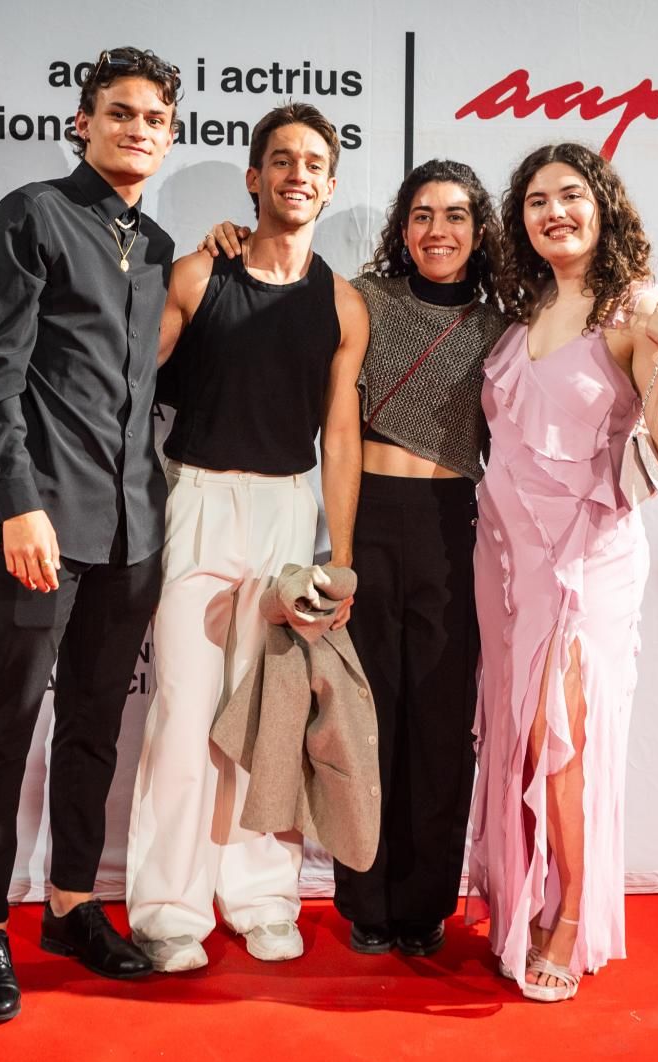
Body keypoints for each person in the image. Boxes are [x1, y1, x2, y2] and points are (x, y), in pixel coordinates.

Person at [202, 160, 506, 957]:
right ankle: (365, 898)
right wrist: (230, 241)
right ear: (402, 229)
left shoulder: (502, 322)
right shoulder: (364, 299)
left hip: (454, 527)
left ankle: (426, 901)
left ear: (480, 231)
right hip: (365, 515)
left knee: (440, 723)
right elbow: (287, 296)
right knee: (360, 719)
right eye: (421, 215)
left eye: (455, 216)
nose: (437, 230)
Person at [0, 46, 180, 1023]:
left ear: (170, 136)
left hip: (135, 529)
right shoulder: (33, 217)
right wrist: (16, 501)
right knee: (3, 728)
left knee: (94, 727)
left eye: (154, 120)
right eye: (120, 113)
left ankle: (72, 906)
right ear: (80, 124)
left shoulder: (162, 247)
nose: (137, 130)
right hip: (37, 524)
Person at [123, 102, 370, 973]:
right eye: (281, 159)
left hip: (283, 514)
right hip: (195, 500)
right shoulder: (196, 275)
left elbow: (339, 436)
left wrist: (339, 553)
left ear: (331, 186)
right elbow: (126, 381)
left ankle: (264, 897)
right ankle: (166, 908)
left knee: (271, 716)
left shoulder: (342, 304)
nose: (298, 172)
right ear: (254, 177)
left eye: (314, 162)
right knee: (186, 715)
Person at [470, 143, 658, 1002]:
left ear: (603, 205)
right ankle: (526, 891)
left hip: (586, 559)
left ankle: (572, 913)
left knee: (563, 740)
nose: (554, 212)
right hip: (505, 559)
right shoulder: (524, 308)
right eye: (536, 200)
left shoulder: (633, 310)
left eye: (571, 195)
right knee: (522, 734)